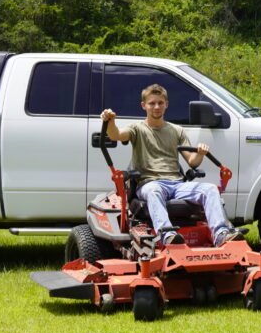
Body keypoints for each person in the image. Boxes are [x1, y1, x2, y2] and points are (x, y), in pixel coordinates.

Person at [100, 83, 242, 247]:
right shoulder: (137, 129)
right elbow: (115, 135)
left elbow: (192, 162)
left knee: (209, 189)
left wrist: (200, 153)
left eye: (160, 102)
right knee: (154, 190)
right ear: (143, 105)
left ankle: (221, 234)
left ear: (166, 104)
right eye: (152, 103)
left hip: (177, 184)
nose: (156, 107)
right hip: (149, 183)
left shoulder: (177, 131)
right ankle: (167, 235)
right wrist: (110, 120)